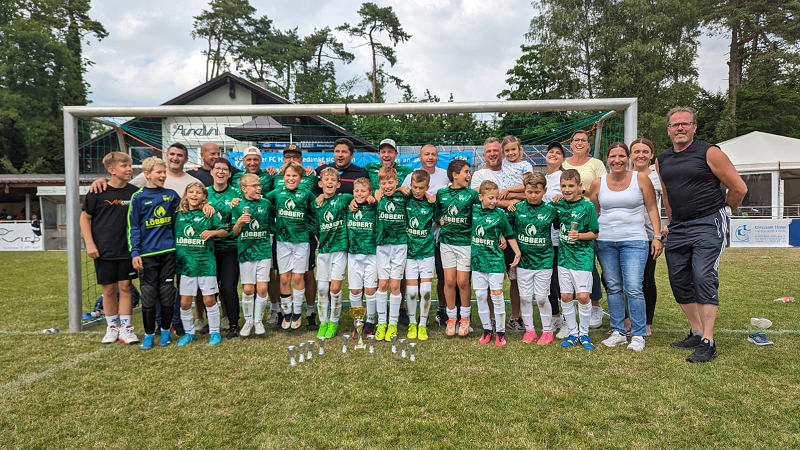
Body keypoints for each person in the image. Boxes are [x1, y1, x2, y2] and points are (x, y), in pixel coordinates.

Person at [656, 106, 747, 363]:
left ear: (695, 127)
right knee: (679, 280)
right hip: (679, 227)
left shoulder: (710, 152)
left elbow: (738, 187)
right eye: (675, 125)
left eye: (686, 124)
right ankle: (696, 332)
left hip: (708, 223)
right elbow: (667, 194)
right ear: (669, 130)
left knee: (703, 276)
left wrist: (725, 210)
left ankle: (708, 341)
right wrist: (672, 223)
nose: (680, 128)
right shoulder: (661, 160)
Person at [588, 142, 662, 352]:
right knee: (613, 286)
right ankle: (619, 331)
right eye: (613, 156)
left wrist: (657, 236)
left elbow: (652, 209)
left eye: (621, 156)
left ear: (628, 158)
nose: (617, 160)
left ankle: (638, 334)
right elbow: (592, 212)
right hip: (605, 242)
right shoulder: (597, 183)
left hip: (635, 241)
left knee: (633, 287)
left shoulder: (641, 179)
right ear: (607, 159)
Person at [80, 152, 140, 345]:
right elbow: (85, 218)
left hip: (128, 249)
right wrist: (89, 243)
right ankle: (112, 327)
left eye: (130, 165)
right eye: (124, 166)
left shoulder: (134, 193)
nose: (129, 169)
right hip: (104, 249)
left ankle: (126, 328)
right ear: (111, 170)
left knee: (125, 287)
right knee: (108, 289)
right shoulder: (97, 192)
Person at [471, 137, 525, 333]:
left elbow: (528, 194)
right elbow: (486, 201)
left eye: (496, 150)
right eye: (489, 151)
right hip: (491, 233)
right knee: (488, 277)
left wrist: (512, 195)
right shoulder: (479, 175)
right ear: (484, 154)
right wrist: (510, 200)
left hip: (515, 229)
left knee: (514, 277)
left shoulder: (512, 169)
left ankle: (515, 317)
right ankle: (492, 319)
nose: (493, 154)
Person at [127, 156, 181, 350]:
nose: (163, 175)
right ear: (147, 174)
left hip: (168, 252)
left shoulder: (172, 195)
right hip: (147, 254)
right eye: (159, 172)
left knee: (167, 293)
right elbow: (133, 227)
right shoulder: (138, 197)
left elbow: (184, 216)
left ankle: (166, 331)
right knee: (148, 294)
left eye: (164, 172)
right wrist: (135, 253)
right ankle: (149, 334)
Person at [270, 144, 320, 329]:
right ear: (283, 178)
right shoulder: (276, 191)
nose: (291, 178)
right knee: (284, 278)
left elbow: (317, 208)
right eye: (288, 176)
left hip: (302, 241)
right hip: (282, 240)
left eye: (294, 176)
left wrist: (311, 230)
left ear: (300, 177)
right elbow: (262, 203)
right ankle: (286, 313)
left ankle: (298, 312)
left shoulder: (307, 190)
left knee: (299, 277)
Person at [508, 172, 560, 345]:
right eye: (529, 191)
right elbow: (505, 229)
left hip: (544, 260)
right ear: (525, 190)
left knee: (542, 297)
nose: (533, 195)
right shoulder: (517, 209)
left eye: (537, 192)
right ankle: (530, 331)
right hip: (524, 262)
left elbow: (561, 224)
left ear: (544, 191)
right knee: (524, 297)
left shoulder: (551, 210)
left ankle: (547, 331)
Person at [562, 130, 607, 328]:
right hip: (564, 218)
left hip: (589, 217)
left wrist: (582, 192)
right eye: (576, 140)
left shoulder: (596, 164)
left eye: (583, 140)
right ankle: (568, 314)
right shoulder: (563, 163)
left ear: (589, 144)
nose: (579, 143)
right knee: (564, 268)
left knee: (590, 267)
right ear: (570, 144)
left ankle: (594, 305)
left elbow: (602, 190)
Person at [401, 144, 450, 326]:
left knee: (439, 279)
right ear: (420, 156)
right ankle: (411, 317)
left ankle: (439, 312)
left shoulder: (445, 174)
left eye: (433, 154)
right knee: (414, 285)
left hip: (435, 240)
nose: (430, 157)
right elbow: (401, 193)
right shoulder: (410, 177)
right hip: (413, 244)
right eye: (426, 154)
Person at [174, 182, 228, 346]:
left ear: (204, 196)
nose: (194, 195)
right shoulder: (178, 214)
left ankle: (214, 332)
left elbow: (225, 231)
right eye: (191, 192)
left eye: (198, 192)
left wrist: (213, 232)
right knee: (184, 302)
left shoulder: (209, 213)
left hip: (206, 264)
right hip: (186, 265)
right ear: (186, 194)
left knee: (209, 300)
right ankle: (189, 333)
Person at [553, 169, 599, 350]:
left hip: (582, 258)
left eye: (571, 185)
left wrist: (579, 236)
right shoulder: (558, 206)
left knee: (582, 296)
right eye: (563, 186)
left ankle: (584, 333)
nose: (567, 189)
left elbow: (594, 233)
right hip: (564, 257)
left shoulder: (587, 206)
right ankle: (573, 332)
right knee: (565, 296)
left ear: (580, 186)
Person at [472, 180, 521, 347]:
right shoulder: (473, 211)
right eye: (490, 198)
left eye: (495, 197)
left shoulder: (500, 214)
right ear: (481, 197)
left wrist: (517, 252)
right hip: (478, 261)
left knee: (497, 296)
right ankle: (487, 330)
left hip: (495, 261)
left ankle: (500, 332)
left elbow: (509, 234)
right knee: (480, 295)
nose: (493, 201)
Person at [437, 159, 480, 337]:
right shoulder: (442, 193)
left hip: (465, 244)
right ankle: (451, 318)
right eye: (466, 172)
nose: (469, 175)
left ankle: (465, 319)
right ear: (455, 175)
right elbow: (436, 213)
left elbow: (482, 214)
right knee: (449, 281)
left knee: (463, 282)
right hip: (446, 243)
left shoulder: (472, 195)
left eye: (469, 172)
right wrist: (438, 219)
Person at [231, 173, 274, 337]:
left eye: (259, 185)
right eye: (254, 186)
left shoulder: (266, 203)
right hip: (245, 251)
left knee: (262, 288)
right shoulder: (237, 205)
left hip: (263, 249)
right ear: (243, 189)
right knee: (248, 289)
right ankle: (248, 321)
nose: (258, 188)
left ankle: (258, 321)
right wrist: (239, 222)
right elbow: (235, 233)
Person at [372, 167, 409, 341]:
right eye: (383, 183)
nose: (387, 186)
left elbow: (417, 193)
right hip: (382, 246)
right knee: (383, 285)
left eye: (390, 182)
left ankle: (392, 324)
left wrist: (402, 189)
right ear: (379, 184)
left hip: (400, 245)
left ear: (396, 181)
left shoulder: (403, 196)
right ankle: (381, 323)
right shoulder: (377, 197)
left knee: (395, 285)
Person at [314, 167, 351, 339]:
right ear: (320, 183)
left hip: (340, 249)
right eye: (326, 180)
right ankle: (323, 322)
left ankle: (334, 321)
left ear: (338, 184)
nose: (329, 182)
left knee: (335, 287)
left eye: (332, 180)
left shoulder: (344, 199)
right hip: (323, 250)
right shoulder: (317, 202)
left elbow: (361, 197)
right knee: (322, 288)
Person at [630, 138, 662, 336]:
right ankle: (627, 321)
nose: (640, 155)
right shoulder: (620, 175)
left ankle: (646, 323)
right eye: (636, 151)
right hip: (624, 235)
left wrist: (660, 232)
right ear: (630, 155)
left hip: (649, 235)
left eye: (645, 151)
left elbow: (666, 201)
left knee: (646, 280)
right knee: (623, 281)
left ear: (651, 154)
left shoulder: (658, 177)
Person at [207, 158, 242, 339]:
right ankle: (212, 323)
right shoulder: (204, 194)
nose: (220, 172)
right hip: (208, 249)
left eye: (224, 170)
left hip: (230, 247)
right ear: (211, 172)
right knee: (209, 288)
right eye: (217, 169)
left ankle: (234, 323)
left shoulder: (236, 194)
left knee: (228, 287)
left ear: (229, 174)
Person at [404, 169, 438, 341]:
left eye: (421, 187)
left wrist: (435, 198)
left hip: (426, 251)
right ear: (410, 185)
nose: (417, 191)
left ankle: (422, 325)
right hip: (409, 252)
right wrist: (398, 189)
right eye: (414, 187)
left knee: (424, 290)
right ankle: (411, 323)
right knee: (411, 291)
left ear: (427, 187)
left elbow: (441, 220)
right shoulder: (405, 199)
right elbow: (389, 191)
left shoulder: (432, 203)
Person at [543, 142, 570, 339]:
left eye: (558, 153)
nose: (553, 155)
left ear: (563, 158)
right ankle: (555, 317)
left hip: (563, 239)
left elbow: (579, 195)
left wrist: (565, 196)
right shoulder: (542, 179)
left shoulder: (567, 177)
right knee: (549, 283)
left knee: (565, 283)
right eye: (551, 152)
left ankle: (569, 321)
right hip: (543, 240)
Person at [346, 177, 378, 338]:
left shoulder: (375, 206)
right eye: (356, 191)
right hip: (353, 254)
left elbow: (383, 196)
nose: (359, 194)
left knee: (371, 290)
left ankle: (371, 322)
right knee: (355, 290)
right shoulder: (349, 205)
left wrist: (375, 198)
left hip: (371, 254)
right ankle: (358, 322)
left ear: (370, 192)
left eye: (363, 191)